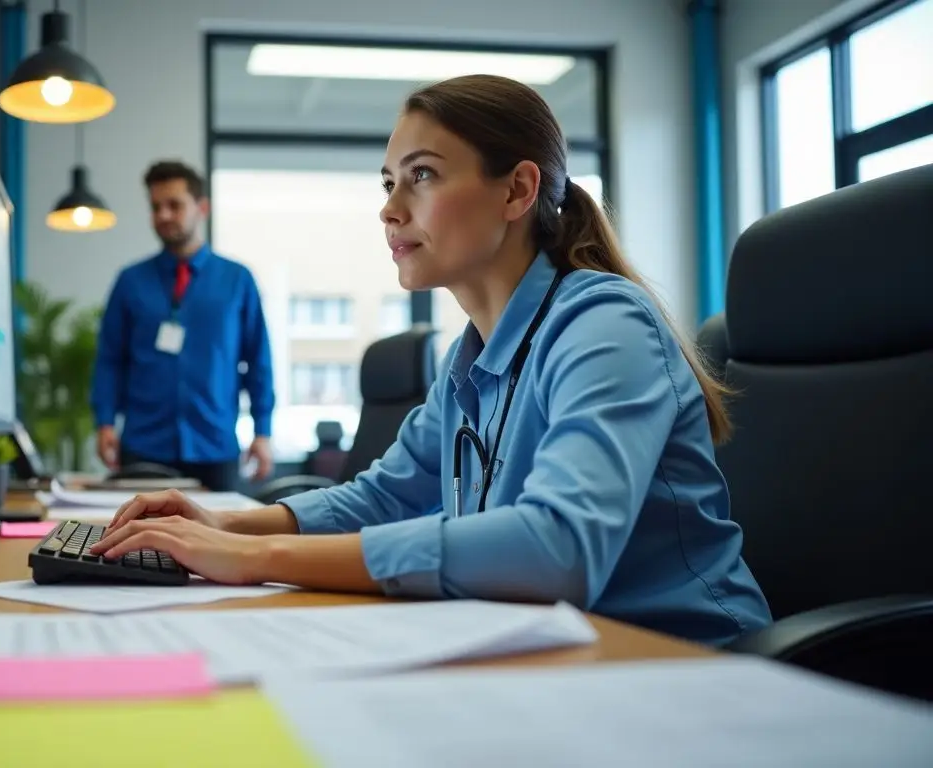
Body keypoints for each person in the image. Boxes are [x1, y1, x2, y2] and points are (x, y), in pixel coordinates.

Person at [91, 75, 772, 647]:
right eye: (389, 182)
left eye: (420, 176)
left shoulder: (604, 323)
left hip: (683, 667)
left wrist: (256, 557)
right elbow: (386, 495)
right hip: (550, 657)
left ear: (516, 191)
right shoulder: (471, 359)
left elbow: (559, 549)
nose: (389, 210)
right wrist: (223, 522)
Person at [90, 160, 275, 493]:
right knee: (138, 544)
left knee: (217, 544)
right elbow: (110, 359)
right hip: (144, 448)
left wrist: (262, 431)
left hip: (214, 449)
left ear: (201, 207)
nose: (163, 215)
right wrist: (104, 422)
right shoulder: (130, 282)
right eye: (156, 207)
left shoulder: (237, 281)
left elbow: (258, 362)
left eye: (174, 205)